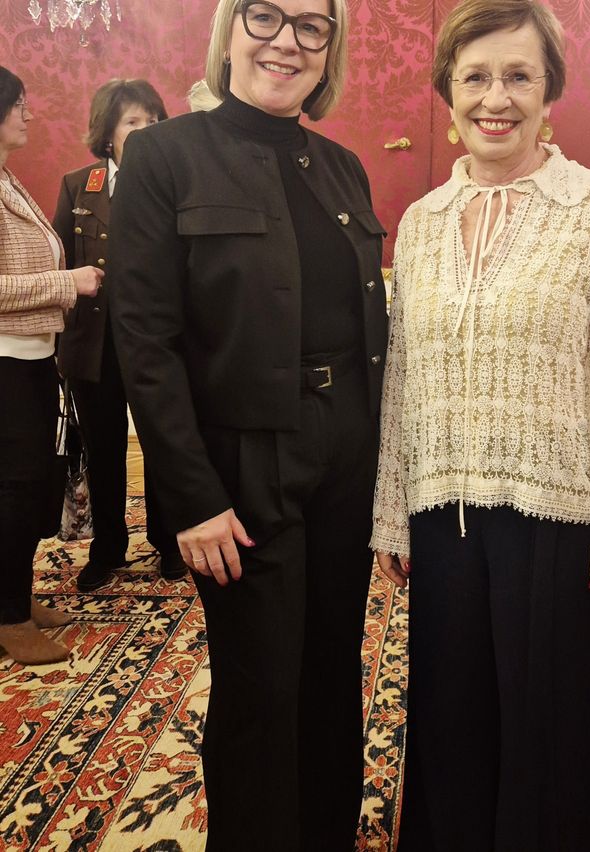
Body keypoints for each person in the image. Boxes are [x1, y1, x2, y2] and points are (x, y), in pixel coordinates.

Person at [107, 1, 387, 848]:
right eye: (265, 15)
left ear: (328, 48)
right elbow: (144, 342)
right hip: (240, 462)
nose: (286, 42)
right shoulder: (161, 156)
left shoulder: (343, 167)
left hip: (347, 450)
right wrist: (189, 496)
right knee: (261, 686)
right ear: (230, 27)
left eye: (312, 25)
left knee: (334, 672)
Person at [371, 1, 590, 849]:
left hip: (557, 526)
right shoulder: (419, 224)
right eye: (477, 77)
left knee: (554, 736)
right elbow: (405, 376)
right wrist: (393, 507)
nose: (497, 97)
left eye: (519, 76)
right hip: (443, 520)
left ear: (549, 90)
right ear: (449, 94)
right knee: (453, 729)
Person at [52, 79, 182, 592]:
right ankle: (108, 547)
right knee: (103, 447)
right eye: (133, 122)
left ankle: (168, 543)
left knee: (163, 443)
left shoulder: (173, 180)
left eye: (153, 121)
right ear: (109, 133)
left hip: (157, 340)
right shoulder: (77, 184)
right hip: (96, 342)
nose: (146, 131)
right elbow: (62, 258)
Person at [0, 66, 102, 664]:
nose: (29, 114)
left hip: (32, 355)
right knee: (15, 491)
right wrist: (72, 282)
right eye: (18, 104)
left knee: (30, 484)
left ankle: (14, 595)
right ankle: (10, 616)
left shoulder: (9, 179)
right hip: (7, 359)